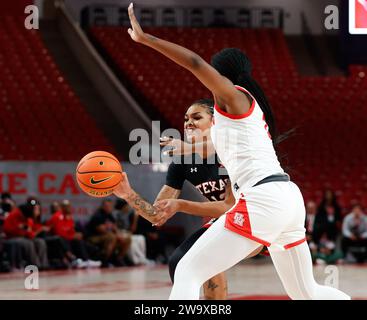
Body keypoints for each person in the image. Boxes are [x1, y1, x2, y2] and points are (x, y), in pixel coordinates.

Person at [125, 3, 350, 300]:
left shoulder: (233, 98)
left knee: (187, 271)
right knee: (307, 292)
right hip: (287, 200)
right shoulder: (244, 115)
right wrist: (188, 146)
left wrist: (147, 40)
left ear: (221, 75)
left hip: (262, 200)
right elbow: (221, 146)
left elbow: (194, 62)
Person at [114, 99, 262, 299]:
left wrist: (181, 205)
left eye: (196, 117)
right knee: (197, 263)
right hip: (228, 222)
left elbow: (230, 206)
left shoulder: (229, 150)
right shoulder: (182, 162)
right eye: (185, 119)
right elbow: (157, 215)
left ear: (214, 122)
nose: (188, 123)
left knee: (185, 260)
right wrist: (128, 195)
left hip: (259, 216)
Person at [47, 200, 101, 268]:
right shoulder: (57, 216)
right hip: (60, 240)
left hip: (67, 239)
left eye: (69, 206)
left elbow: (70, 230)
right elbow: (59, 233)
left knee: (83, 242)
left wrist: (74, 235)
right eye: (66, 207)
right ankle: (81, 260)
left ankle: (86, 260)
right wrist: (72, 236)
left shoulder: (68, 217)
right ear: (62, 208)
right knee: (75, 241)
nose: (68, 208)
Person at [3, 200, 49, 269]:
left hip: (23, 237)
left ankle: (44, 265)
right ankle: (35, 265)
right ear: (31, 209)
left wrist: (28, 231)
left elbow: (30, 234)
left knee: (40, 242)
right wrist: (21, 230)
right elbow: (7, 230)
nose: (38, 212)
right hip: (11, 237)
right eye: (36, 209)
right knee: (28, 243)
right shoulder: (15, 215)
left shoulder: (28, 218)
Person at [85, 199, 131, 266]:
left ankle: (119, 258)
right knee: (111, 237)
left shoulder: (110, 215)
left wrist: (119, 235)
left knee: (127, 239)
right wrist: (114, 233)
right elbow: (101, 230)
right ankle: (105, 259)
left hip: (106, 235)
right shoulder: (98, 215)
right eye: (106, 206)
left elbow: (115, 227)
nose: (108, 208)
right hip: (93, 237)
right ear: (103, 206)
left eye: (110, 206)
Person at [114, 199, 153, 266]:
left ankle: (142, 258)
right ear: (123, 206)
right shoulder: (115, 214)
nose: (128, 207)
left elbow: (132, 230)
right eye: (127, 205)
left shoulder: (127, 215)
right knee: (132, 241)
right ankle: (136, 261)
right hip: (119, 234)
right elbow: (115, 227)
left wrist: (135, 217)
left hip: (127, 233)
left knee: (141, 238)